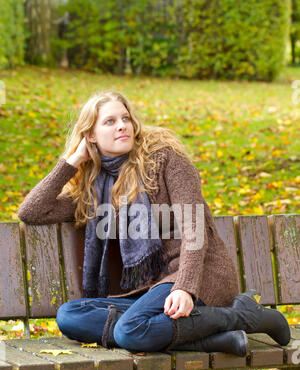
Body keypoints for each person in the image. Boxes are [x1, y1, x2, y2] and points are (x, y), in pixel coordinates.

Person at [18, 91, 291, 356]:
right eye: (110, 122)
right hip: (152, 288)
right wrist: (74, 160)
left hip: (199, 275)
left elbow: (194, 228)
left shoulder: (166, 159)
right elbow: (31, 211)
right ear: (90, 135)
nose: (122, 126)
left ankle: (239, 314)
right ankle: (216, 337)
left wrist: (185, 287)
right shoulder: (97, 187)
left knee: (129, 332)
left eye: (125, 118)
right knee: (69, 316)